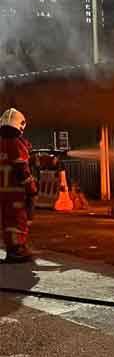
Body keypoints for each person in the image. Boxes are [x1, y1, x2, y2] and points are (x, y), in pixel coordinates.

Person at [0, 108, 37, 262]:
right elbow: (22, 169)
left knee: (7, 221)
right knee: (18, 220)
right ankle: (17, 250)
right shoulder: (16, 144)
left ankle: (11, 249)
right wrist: (32, 189)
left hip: (2, 192)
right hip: (15, 192)